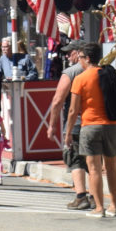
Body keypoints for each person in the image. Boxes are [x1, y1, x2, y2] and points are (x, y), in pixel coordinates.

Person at [63, 42, 116, 218]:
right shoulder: (109, 74)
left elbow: (73, 111)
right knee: (112, 167)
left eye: (80, 57)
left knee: (94, 169)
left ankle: (99, 208)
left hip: (90, 126)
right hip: (112, 125)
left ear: (87, 58)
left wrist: (68, 134)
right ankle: (114, 205)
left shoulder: (80, 78)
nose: (79, 61)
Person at [45, 40, 92, 210]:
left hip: (77, 123)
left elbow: (57, 101)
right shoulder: (100, 70)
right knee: (92, 161)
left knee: (75, 159)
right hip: (96, 121)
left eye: (69, 52)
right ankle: (95, 196)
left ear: (79, 52)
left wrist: (52, 125)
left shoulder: (71, 72)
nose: (67, 55)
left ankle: (81, 196)